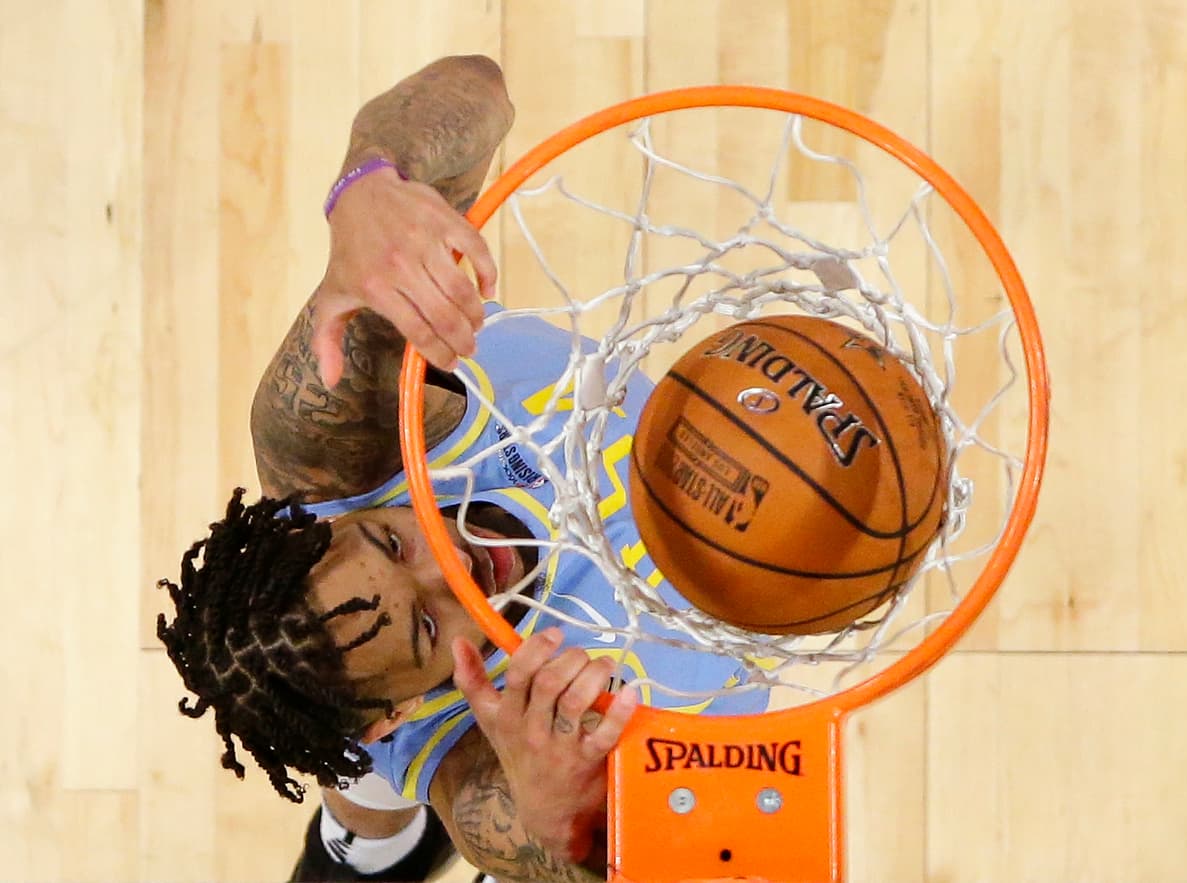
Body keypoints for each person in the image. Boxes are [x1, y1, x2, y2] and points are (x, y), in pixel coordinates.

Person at [156, 55, 766, 883]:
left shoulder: (334, 432)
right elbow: (694, 864)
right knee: (380, 783)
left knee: (372, 804)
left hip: (373, 711)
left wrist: (371, 184)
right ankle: (369, 833)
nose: (457, 566)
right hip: (390, 740)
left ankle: (370, 837)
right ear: (403, 706)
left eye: (393, 541)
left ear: (330, 512)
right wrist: (571, 828)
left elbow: (478, 88)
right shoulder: (484, 783)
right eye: (429, 628)